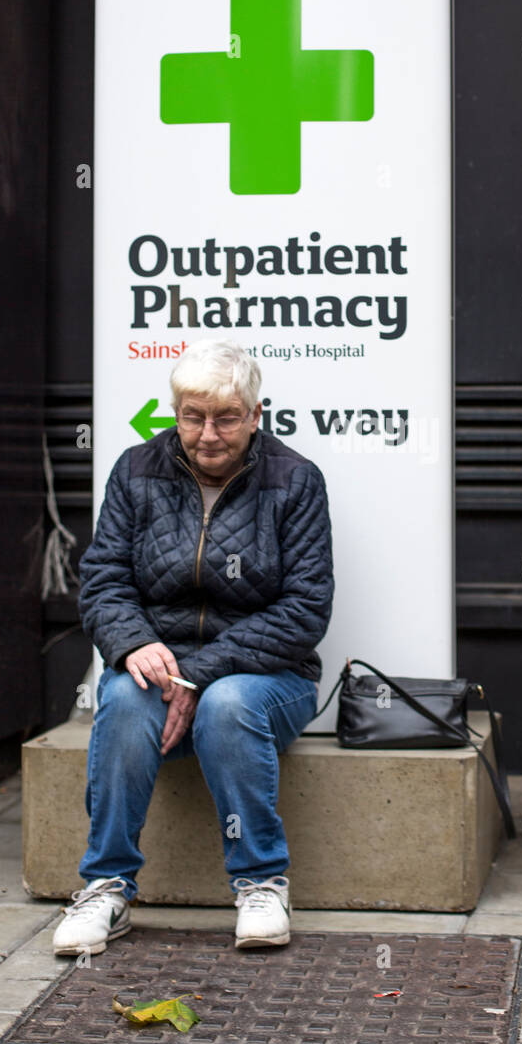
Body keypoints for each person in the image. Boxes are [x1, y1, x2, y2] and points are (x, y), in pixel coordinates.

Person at [52, 338, 334, 954]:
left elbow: (306, 609)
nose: (208, 434)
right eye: (193, 415)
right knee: (124, 697)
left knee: (226, 704)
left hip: (268, 680)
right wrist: (132, 645)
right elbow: (104, 580)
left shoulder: (295, 481)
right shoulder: (135, 470)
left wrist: (199, 674)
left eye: (227, 417)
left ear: (256, 415)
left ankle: (261, 882)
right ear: (175, 412)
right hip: (161, 671)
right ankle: (106, 887)